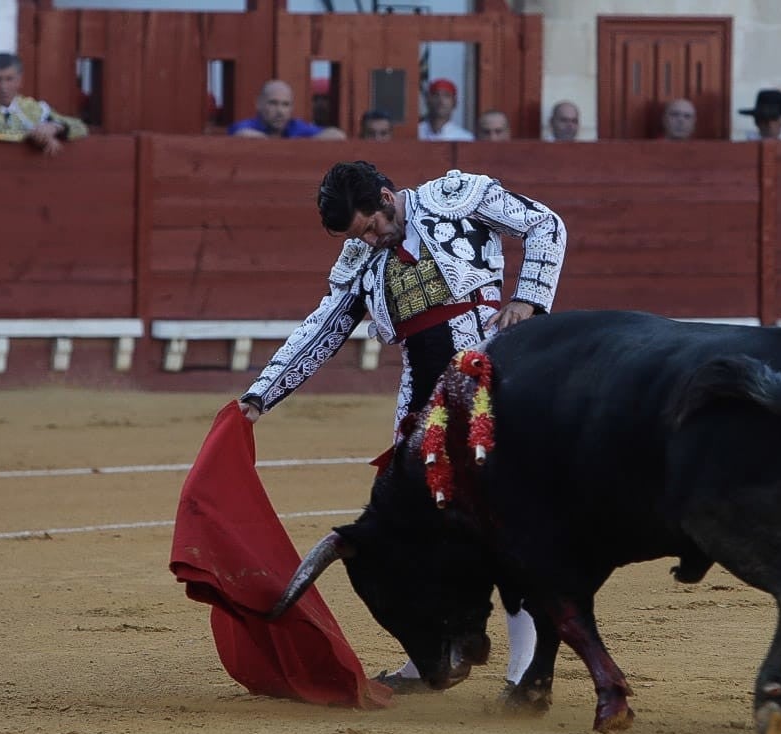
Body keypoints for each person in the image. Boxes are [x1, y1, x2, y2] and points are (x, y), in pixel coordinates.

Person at [238, 160, 567, 693]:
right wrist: (260, 396)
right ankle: (431, 656)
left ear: (387, 198)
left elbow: (545, 225)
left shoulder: (456, 196)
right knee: (421, 528)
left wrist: (529, 296)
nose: (367, 240)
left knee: (504, 524)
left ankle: (525, 668)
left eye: (369, 227)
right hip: (420, 401)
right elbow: (320, 331)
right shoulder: (359, 256)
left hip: (490, 378)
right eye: (355, 236)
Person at [0, 52, 88, 156]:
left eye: (9, 79)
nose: (3, 86)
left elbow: (80, 127)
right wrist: (36, 135)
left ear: (20, 81)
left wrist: (55, 127)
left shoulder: (32, 108)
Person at [229, 80, 346, 139]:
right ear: (259, 104)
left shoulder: (296, 126)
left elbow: (338, 135)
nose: (280, 111)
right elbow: (241, 133)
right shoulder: (247, 125)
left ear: (291, 108)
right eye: (273, 103)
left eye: (285, 104)